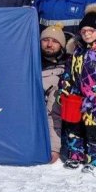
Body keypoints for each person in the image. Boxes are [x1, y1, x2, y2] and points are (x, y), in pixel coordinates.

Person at [58, 4, 96, 172]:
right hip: (76, 97)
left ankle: (95, 157)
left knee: (95, 128)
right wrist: (66, 86)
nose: (87, 34)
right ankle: (75, 154)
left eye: (91, 31)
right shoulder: (77, 51)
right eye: (84, 31)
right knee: (74, 126)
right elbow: (69, 73)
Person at [40, 24, 67, 164]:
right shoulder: (30, 60)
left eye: (55, 41)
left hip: (52, 120)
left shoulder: (65, 68)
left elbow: (53, 114)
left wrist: (54, 148)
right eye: (46, 40)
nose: (49, 44)